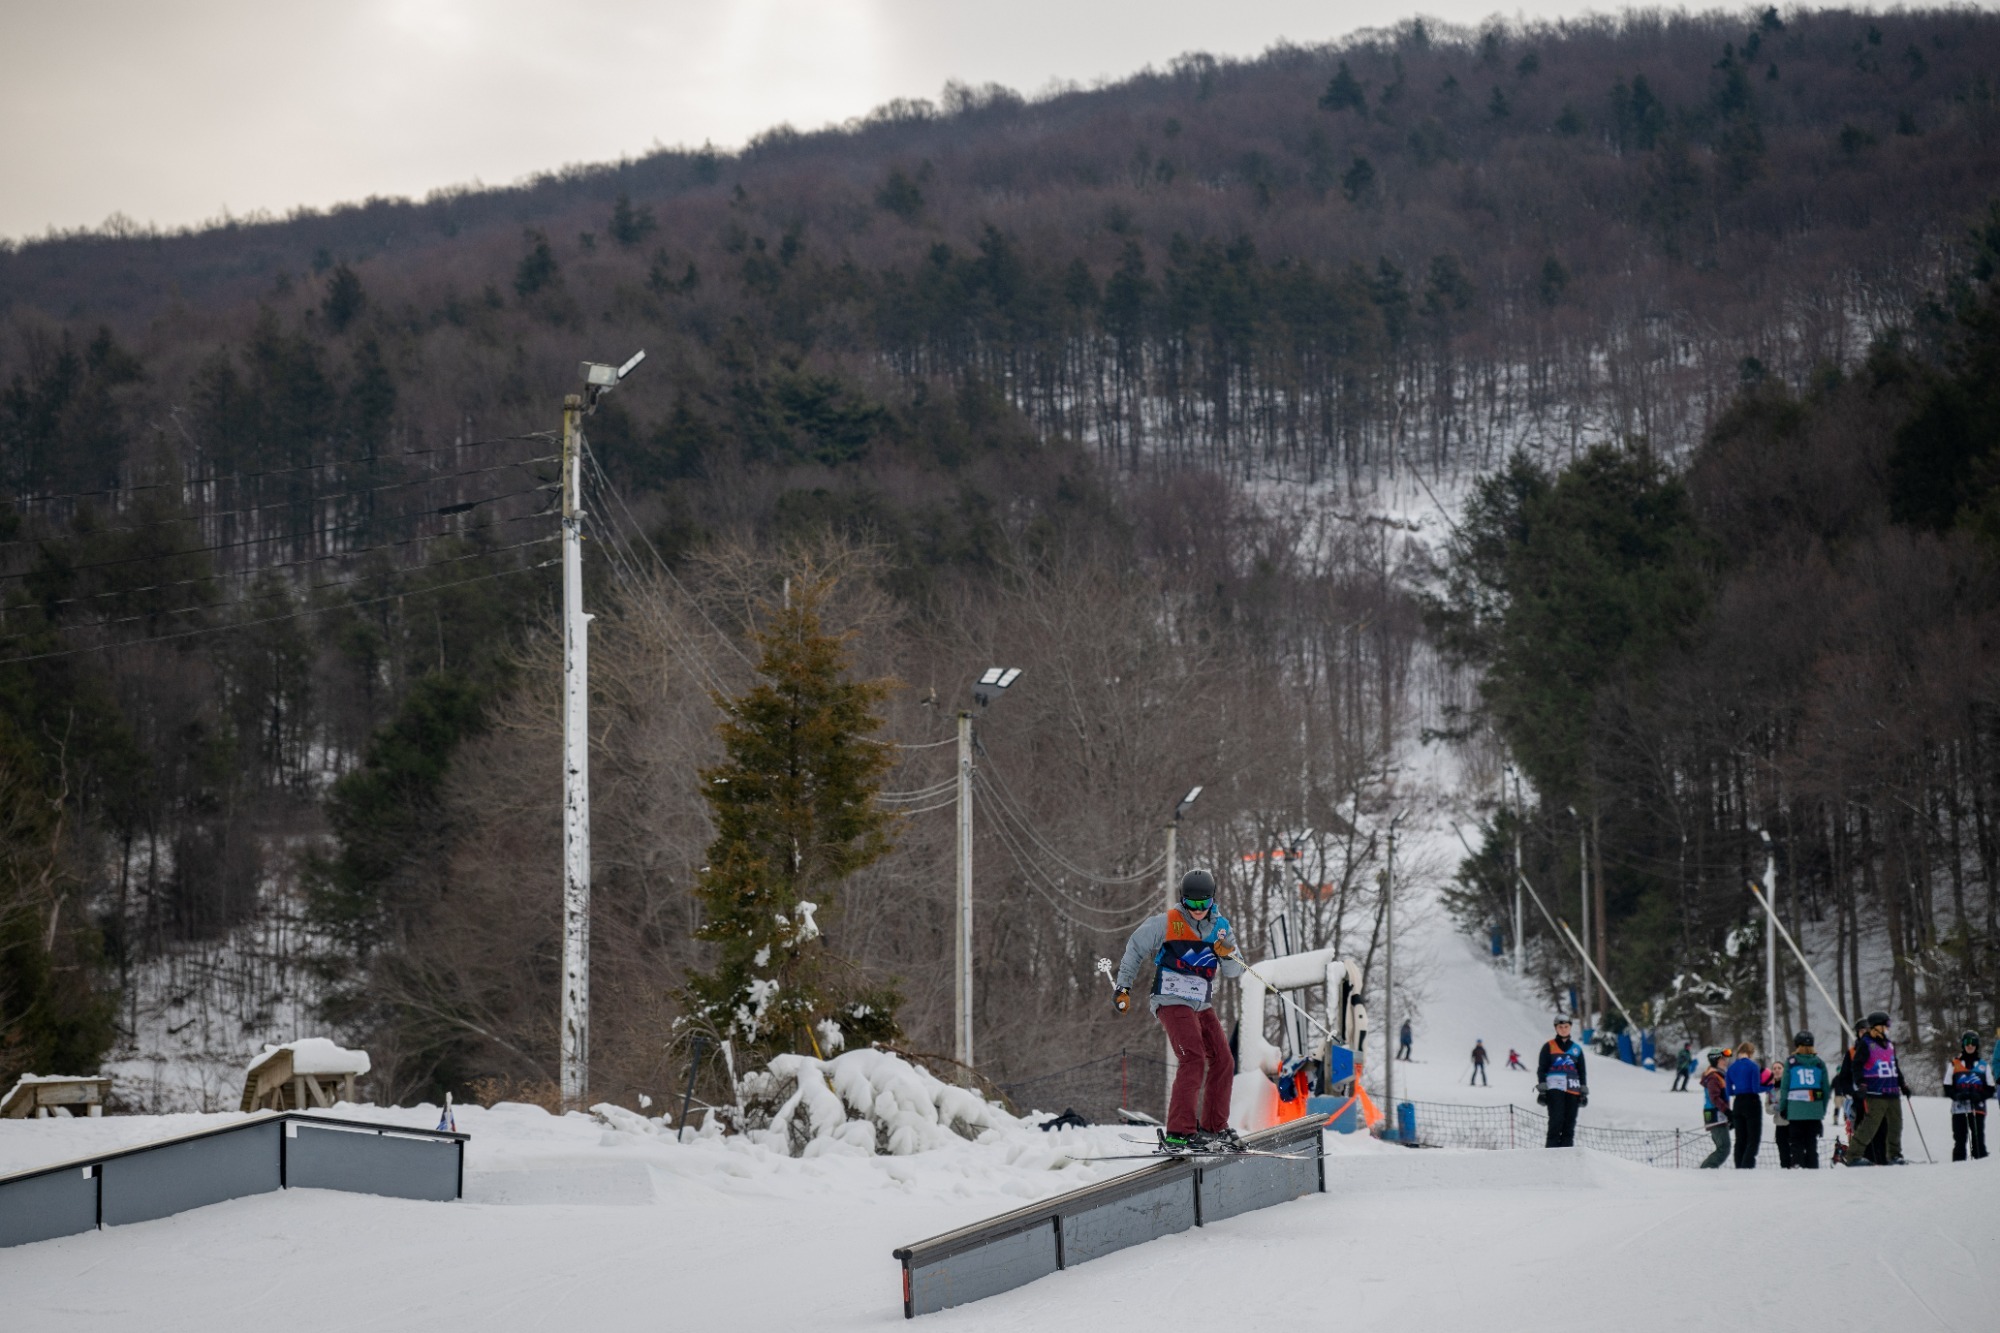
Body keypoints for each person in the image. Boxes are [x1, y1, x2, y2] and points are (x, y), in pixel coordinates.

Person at [1114, 869, 1245, 1153]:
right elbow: (1135, 948)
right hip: (1170, 999)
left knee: (1223, 1060)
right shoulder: (1166, 923)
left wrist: (1227, 953)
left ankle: (1213, 1127)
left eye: (1204, 904)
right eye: (1192, 904)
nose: (1198, 910)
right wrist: (1123, 988)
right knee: (1193, 1058)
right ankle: (1179, 1131)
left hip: (1201, 1003)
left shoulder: (1221, 928)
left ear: (1212, 900)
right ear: (1183, 900)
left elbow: (1235, 971)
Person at [1846, 1011, 1909, 1166]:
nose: (1888, 1028)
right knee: (1870, 1124)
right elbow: (1857, 1066)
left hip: (1892, 1091)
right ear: (1877, 1027)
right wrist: (1861, 1083)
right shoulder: (1866, 1043)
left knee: (1896, 1124)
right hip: (1876, 1092)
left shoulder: (1889, 1045)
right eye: (1886, 1025)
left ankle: (1894, 1155)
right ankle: (1853, 1155)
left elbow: (1895, 1067)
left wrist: (1903, 1085)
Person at [1774, 1031, 1829, 1169]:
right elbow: (1826, 1089)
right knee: (1811, 1143)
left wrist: (1783, 1107)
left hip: (1795, 1110)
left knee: (1796, 1143)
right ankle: (1813, 1169)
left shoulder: (1791, 1062)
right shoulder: (1819, 1063)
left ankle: (1798, 1168)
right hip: (1814, 1110)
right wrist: (1822, 1108)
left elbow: (1785, 1087)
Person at [1536, 1016, 1588, 1147]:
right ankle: (1551, 1152)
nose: (1563, 1030)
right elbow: (1542, 1068)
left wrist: (1583, 1090)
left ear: (1570, 1027)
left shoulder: (1576, 1049)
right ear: (1556, 1028)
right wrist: (1542, 1089)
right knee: (1556, 1120)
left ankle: (1566, 1154)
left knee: (1569, 1123)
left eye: (1566, 1027)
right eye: (1560, 1027)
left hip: (1573, 1088)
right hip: (1554, 1088)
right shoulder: (1548, 1046)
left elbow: (1581, 1071)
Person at [1943, 1030, 1992, 1162]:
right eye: (1967, 1043)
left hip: (1977, 1108)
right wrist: (1956, 1095)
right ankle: (1958, 1166)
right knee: (1960, 1139)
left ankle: (1981, 1163)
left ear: (1977, 1045)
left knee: (1978, 1139)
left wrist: (1979, 1096)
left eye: (1973, 1043)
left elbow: (1990, 1088)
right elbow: (1947, 1087)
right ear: (1963, 1045)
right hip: (1959, 1108)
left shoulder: (1983, 1066)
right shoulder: (1954, 1064)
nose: (1970, 1046)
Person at [1725, 1041, 1764, 1168]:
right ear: (1750, 1052)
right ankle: (1747, 1166)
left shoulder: (1731, 1068)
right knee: (1753, 1138)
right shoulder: (1753, 1066)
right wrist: (1769, 1086)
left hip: (1738, 1103)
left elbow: (1729, 1091)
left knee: (1740, 1138)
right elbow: (1755, 1088)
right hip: (1751, 1102)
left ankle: (1739, 1165)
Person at [1698, 1047, 1733, 1168]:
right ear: (1715, 1061)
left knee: (1723, 1147)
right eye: (1722, 1059)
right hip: (1714, 1115)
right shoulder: (1713, 1077)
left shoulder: (1719, 1075)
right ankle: (1704, 1170)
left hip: (1720, 1116)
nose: (1725, 1061)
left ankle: (1707, 1169)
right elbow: (1715, 1098)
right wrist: (1728, 1112)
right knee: (1724, 1148)